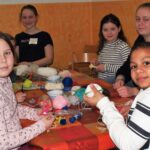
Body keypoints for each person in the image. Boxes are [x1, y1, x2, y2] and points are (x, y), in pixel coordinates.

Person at [84, 42, 150, 149]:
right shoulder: (145, 91)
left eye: (146, 63)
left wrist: (103, 103)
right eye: (133, 66)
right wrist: (135, 107)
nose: (138, 70)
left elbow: (127, 145)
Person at [0, 32, 55, 149]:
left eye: (7, 53)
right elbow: (3, 142)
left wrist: (35, 113)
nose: (3, 60)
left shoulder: (5, 79)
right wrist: (41, 126)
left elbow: (11, 110)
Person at [114, 2, 150, 98]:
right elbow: (129, 64)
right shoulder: (140, 39)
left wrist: (135, 91)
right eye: (138, 19)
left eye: (146, 19)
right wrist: (120, 77)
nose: (140, 23)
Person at [90, 13, 130, 83]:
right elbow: (102, 65)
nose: (109, 33)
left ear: (119, 29)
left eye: (112, 29)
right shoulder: (104, 45)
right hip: (102, 82)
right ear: (101, 31)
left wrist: (106, 67)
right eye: (105, 30)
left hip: (115, 83)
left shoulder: (123, 47)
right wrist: (96, 64)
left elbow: (128, 68)